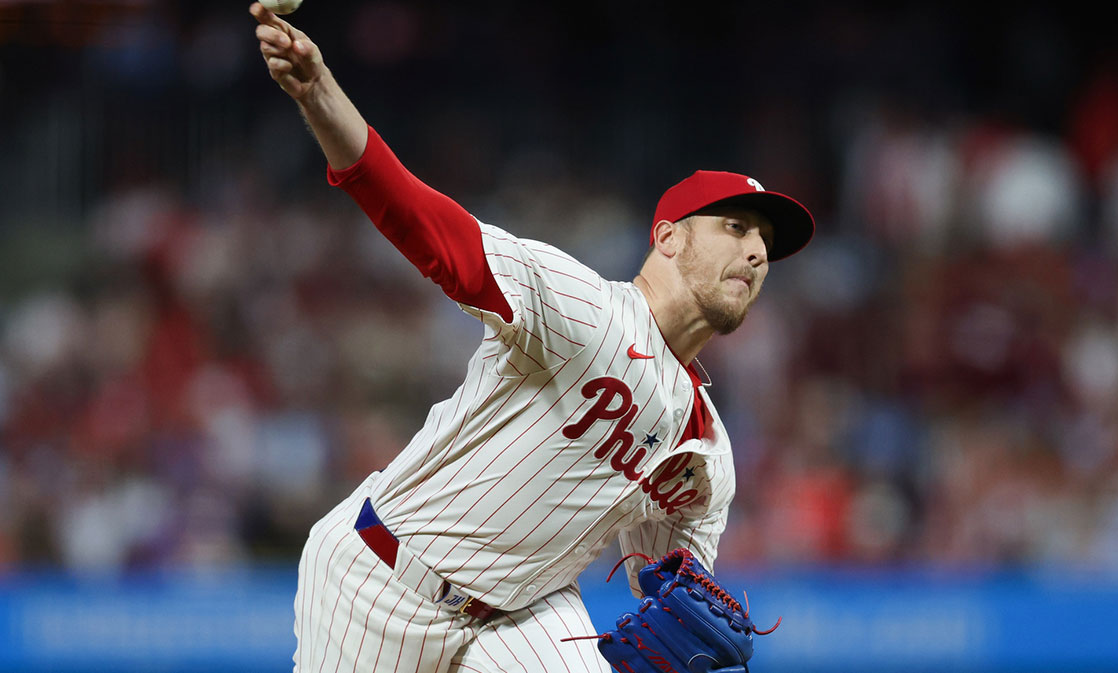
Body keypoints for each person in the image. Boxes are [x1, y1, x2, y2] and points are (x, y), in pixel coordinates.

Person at [249, 4, 815, 671]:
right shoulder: (586, 310)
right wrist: (320, 94)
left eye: (766, 245)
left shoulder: (710, 455)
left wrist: (682, 576)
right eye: (736, 228)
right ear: (667, 237)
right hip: (382, 574)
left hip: (525, 613)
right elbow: (429, 227)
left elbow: (672, 589)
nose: (756, 253)